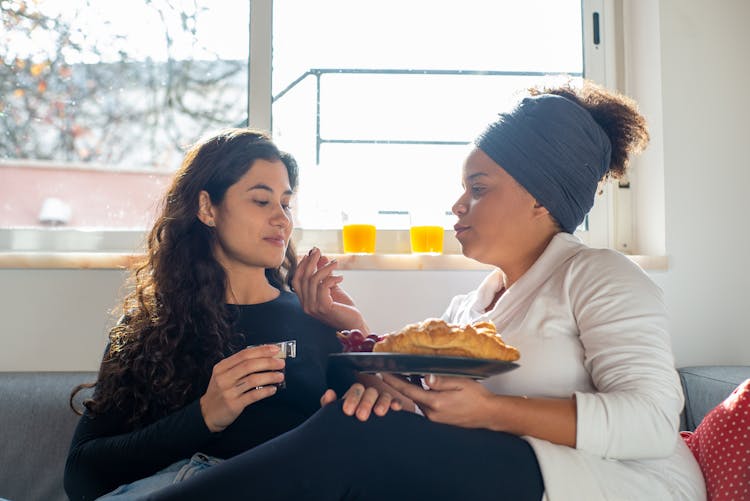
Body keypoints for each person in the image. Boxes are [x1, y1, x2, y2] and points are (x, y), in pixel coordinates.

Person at [145, 81, 706, 500]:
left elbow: (654, 422)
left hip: (625, 486)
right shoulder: (472, 304)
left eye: (478, 189)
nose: (457, 205)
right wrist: (365, 356)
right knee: (360, 416)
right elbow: (439, 410)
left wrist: (494, 411)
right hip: (522, 473)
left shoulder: (600, 275)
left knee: (357, 433)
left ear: (541, 199)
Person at [64, 128, 357, 500]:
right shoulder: (150, 330)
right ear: (207, 208)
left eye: (286, 203)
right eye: (261, 201)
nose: (282, 219)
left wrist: (357, 331)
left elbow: (369, 445)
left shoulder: (318, 320)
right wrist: (204, 416)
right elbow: (80, 476)